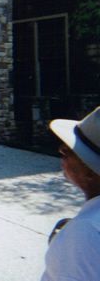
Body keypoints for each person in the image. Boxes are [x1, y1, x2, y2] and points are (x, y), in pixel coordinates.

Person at [41, 106, 100, 281]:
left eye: (69, 150)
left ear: (91, 170)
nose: (61, 150)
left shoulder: (85, 231)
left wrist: (69, 241)